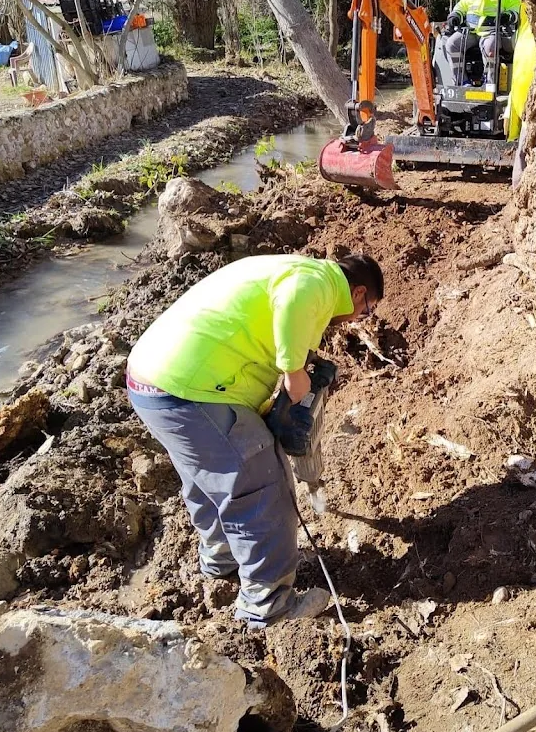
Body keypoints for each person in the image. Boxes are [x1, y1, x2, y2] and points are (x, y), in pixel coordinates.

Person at [125, 252, 384, 627]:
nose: (360, 318)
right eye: (366, 311)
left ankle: (222, 560)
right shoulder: (318, 283)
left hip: (153, 383)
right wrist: (294, 371)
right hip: (191, 391)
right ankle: (269, 604)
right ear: (357, 293)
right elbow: (295, 296)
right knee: (263, 486)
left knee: (209, 480)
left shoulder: (290, 267)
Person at [444, 0, 522, 84]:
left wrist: (507, 17)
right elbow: (461, 6)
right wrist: (455, 16)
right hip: (471, 31)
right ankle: (461, 82)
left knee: (490, 48)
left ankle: (489, 84)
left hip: (491, 32)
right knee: (451, 44)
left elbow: (515, 7)